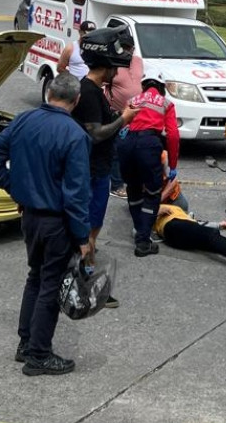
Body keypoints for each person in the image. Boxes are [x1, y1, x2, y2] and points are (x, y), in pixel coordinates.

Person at [0, 73, 92, 375]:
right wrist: (83, 237)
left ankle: (26, 343)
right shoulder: (74, 135)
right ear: (76, 100)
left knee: (35, 277)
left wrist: (16, 188)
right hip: (57, 222)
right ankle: (39, 354)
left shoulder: (23, 121)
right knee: (50, 285)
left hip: (30, 217)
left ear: (49, 93)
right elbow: (76, 193)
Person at [72, 27, 140, 267]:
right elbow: (95, 133)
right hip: (93, 170)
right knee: (90, 228)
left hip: (97, 168)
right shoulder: (89, 92)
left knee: (93, 226)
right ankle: (87, 277)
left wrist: (118, 114)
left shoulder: (92, 90)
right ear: (106, 65)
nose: (116, 72)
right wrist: (124, 119)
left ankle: (87, 264)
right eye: (115, 67)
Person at [118, 66, 179, 257]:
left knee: (133, 189)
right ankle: (143, 241)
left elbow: (121, 125)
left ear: (143, 85)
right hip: (148, 145)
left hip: (127, 144)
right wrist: (173, 165)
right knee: (153, 193)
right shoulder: (166, 103)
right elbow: (173, 136)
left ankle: (140, 229)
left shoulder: (133, 100)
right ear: (161, 86)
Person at [105, 29, 145, 199]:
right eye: (125, 48)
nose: (129, 51)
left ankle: (133, 181)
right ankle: (116, 184)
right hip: (117, 113)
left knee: (134, 150)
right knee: (116, 150)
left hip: (136, 115)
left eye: (131, 48)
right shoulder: (111, 64)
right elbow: (103, 84)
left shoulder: (138, 61)